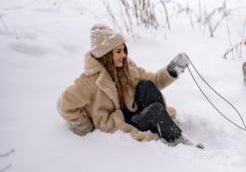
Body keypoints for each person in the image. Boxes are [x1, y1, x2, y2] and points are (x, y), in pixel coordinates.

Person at [57, 24, 190, 145]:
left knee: (146, 86)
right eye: (118, 52)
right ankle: (179, 143)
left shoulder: (127, 67)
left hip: (132, 112)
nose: (124, 55)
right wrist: (86, 128)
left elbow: (153, 81)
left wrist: (172, 70)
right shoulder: (90, 81)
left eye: (124, 50)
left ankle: (163, 123)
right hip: (119, 124)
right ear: (106, 55)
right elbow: (64, 105)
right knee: (155, 111)